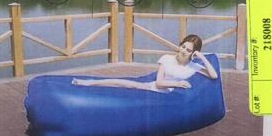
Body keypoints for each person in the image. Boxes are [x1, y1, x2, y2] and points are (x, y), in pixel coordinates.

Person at [71, 34, 218, 93]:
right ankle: (88, 83)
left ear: (193, 53)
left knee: (127, 85)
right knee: (126, 84)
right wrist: (178, 84)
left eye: (189, 50)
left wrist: (202, 57)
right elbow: (159, 83)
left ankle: (88, 83)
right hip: (155, 88)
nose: (183, 51)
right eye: (183, 46)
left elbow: (214, 76)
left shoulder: (194, 67)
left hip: (170, 97)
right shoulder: (166, 59)